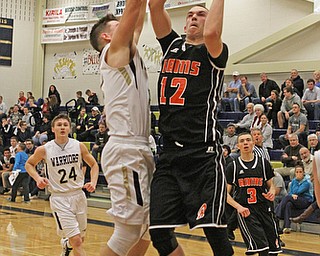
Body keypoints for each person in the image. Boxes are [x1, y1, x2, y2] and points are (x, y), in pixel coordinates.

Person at [148, 0, 234, 255]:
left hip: (202, 156)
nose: (194, 17)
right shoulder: (172, 46)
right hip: (170, 156)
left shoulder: (214, 51)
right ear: (184, 23)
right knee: (159, 234)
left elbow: (211, 33)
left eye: (201, 14)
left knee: (215, 233)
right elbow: (154, 7)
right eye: (190, 15)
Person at [90, 0, 156, 255]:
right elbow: (134, 8)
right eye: (119, 24)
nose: (126, 25)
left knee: (148, 229)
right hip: (126, 149)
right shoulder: (113, 50)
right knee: (128, 231)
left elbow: (138, 17)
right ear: (107, 36)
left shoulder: (129, 49)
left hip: (138, 146)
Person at [25, 114, 99, 256]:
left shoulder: (78, 146)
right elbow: (29, 164)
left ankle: (67, 244)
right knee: (76, 241)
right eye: (59, 125)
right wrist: (38, 178)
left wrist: (93, 182)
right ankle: (69, 243)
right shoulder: (45, 149)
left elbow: (94, 164)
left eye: (65, 124)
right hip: (59, 198)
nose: (62, 127)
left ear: (69, 128)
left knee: (80, 239)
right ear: (53, 129)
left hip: (78, 195)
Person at [226, 133, 281, 255]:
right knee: (262, 249)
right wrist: (238, 207)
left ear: (253, 143)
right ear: (238, 145)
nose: (245, 143)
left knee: (274, 250)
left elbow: (271, 185)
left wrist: (272, 193)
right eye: (242, 141)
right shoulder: (233, 166)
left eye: (248, 140)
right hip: (247, 211)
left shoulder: (263, 163)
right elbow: (225, 194)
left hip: (265, 208)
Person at [275, 165, 313, 233]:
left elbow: (297, 191)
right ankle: (287, 227)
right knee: (288, 204)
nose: (298, 174)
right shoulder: (293, 181)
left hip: (306, 201)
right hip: (296, 199)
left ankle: (276, 215)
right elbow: (291, 192)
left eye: (300, 172)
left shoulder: (307, 182)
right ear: (295, 173)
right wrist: (292, 195)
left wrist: (292, 194)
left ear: (303, 172)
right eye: (297, 172)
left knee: (287, 197)